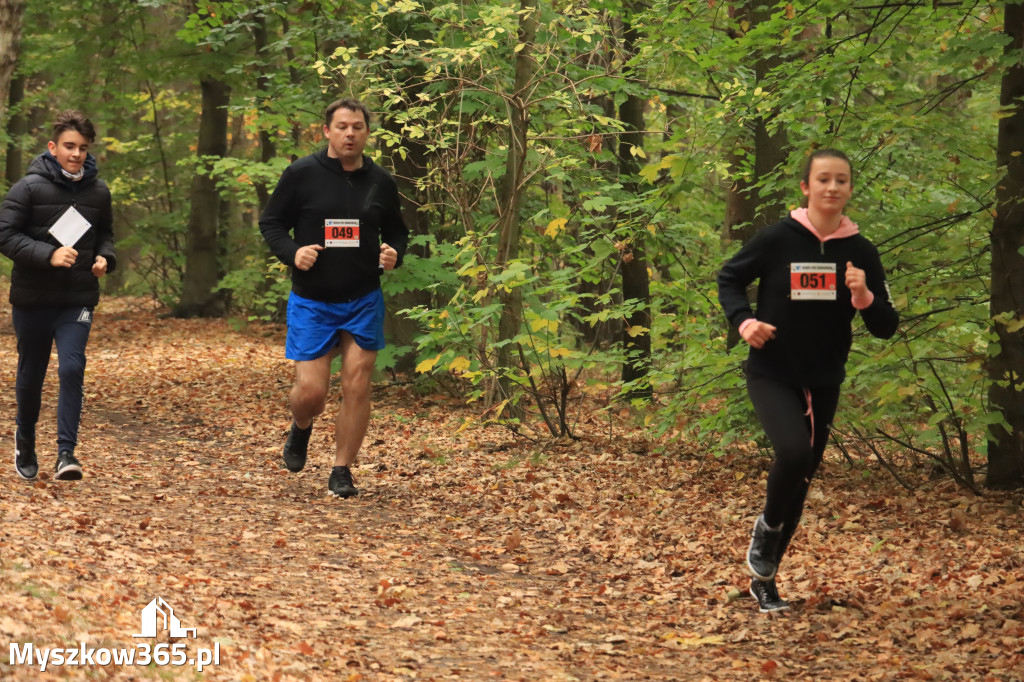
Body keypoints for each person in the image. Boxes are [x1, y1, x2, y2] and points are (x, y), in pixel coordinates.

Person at [716, 148, 899, 612]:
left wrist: (863, 295)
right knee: (793, 453)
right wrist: (744, 323)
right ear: (806, 187)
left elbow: (885, 325)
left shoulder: (861, 251)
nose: (832, 188)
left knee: (801, 479)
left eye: (841, 180)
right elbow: (729, 278)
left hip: (824, 379)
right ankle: (767, 531)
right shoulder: (778, 238)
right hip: (772, 372)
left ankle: (765, 579)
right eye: (823, 180)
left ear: (849, 189)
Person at [259, 97, 408, 498]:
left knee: (357, 384)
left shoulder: (381, 181)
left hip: (362, 297)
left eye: (357, 127)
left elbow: (397, 231)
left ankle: (342, 469)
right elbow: (271, 222)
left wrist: (394, 253)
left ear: (366, 133)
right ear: (326, 131)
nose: (349, 134)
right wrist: (293, 253)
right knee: (312, 393)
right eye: (342, 126)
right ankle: (301, 427)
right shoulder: (302, 174)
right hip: (313, 300)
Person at [0, 110, 116, 481]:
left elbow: (106, 236)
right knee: (31, 375)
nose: (76, 154)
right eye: (69, 146)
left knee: (71, 366)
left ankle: (66, 453)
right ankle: (26, 439)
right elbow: (4, 234)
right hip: (33, 299)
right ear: (53, 148)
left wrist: (105, 259)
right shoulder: (28, 187)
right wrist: (47, 255)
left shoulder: (98, 191)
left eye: (82, 148)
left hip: (76, 298)